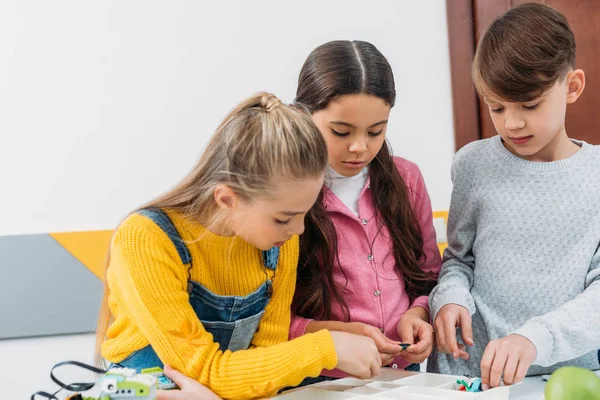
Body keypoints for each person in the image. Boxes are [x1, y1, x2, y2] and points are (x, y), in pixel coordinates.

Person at [95, 92, 382, 399]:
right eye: (284, 218)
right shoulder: (145, 239)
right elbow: (202, 372)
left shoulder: (280, 243)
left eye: (303, 214)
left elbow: (266, 369)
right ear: (227, 199)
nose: (297, 230)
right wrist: (327, 347)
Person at [429, 2, 600, 390]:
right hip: (469, 378)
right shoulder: (473, 165)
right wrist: (451, 298)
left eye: (530, 104)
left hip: (566, 380)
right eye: (497, 107)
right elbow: (458, 259)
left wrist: (534, 339)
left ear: (571, 87)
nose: (513, 122)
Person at [289, 40, 442, 385]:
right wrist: (335, 336)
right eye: (340, 132)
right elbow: (269, 320)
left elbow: (428, 274)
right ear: (304, 114)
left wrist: (418, 313)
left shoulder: (406, 180)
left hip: (401, 376)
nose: (360, 147)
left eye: (376, 131)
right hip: (316, 381)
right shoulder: (283, 194)